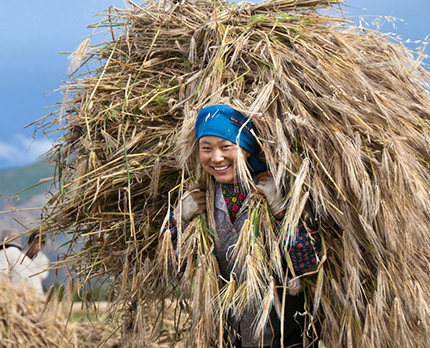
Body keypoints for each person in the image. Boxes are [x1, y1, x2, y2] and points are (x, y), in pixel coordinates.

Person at [165, 104, 320, 347]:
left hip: (281, 330)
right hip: (225, 331)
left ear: (247, 149)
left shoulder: (277, 188)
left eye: (227, 147)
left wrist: (280, 210)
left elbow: (310, 262)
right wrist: (178, 220)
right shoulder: (200, 198)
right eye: (206, 149)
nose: (216, 158)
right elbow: (175, 265)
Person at [26, 232, 50, 296]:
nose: (35, 245)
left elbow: (42, 275)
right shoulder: (21, 255)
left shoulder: (43, 260)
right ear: (29, 243)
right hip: (19, 288)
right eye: (33, 242)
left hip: (34, 290)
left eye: (38, 243)